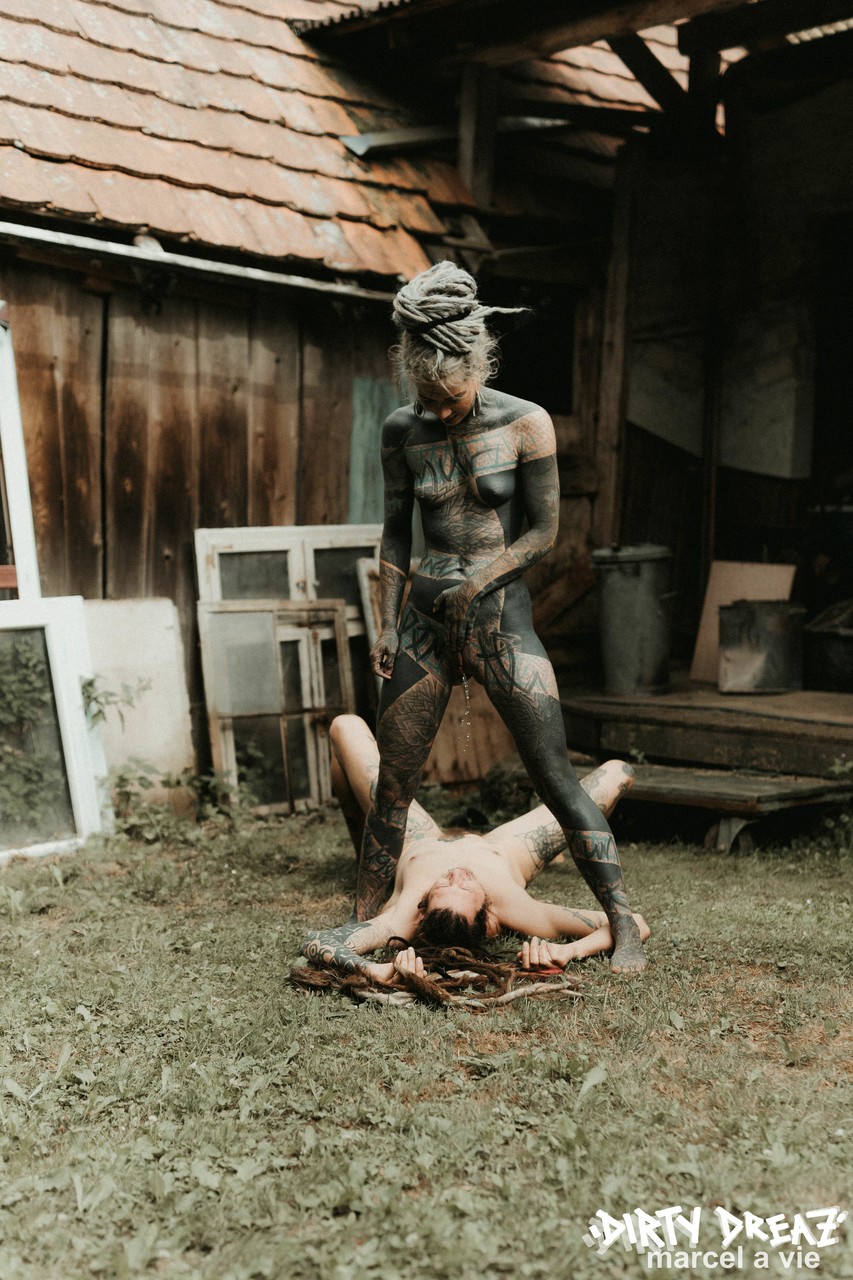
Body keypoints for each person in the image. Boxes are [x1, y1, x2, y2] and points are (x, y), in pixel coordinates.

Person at [356, 260, 646, 973]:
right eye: (428, 399)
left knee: (554, 775)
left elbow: (544, 532)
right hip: (423, 625)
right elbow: (394, 533)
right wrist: (387, 622)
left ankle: (622, 924)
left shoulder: (524, 422)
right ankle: (363, 918)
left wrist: (479, 583)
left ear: (478, 367)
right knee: (393, 782)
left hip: (500, 624)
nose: (441, 411)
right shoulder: (401, 431)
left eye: (452, 398)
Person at [302, 715, 649, 982]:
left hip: (414, 838)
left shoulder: (402, 917)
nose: (456, 874)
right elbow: (634, 923)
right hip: (505, 849)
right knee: (618, 772)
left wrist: (373, 970)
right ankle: (366, 854)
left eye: (443, 885)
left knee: (344, 726)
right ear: (491, 917)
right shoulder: (516, 909)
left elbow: (319, 941)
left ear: (422, 911)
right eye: (466, 886)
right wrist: (568, 951)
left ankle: (367, 855)